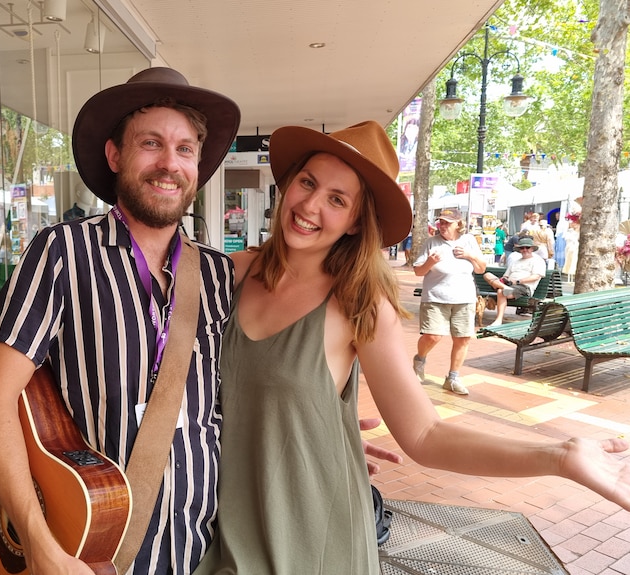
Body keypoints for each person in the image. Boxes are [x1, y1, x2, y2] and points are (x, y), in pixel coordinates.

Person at [194, 122, 630, 575]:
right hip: (217, 524)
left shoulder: (358, 302)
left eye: (337, 199)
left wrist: (558, 456)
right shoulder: (230, 274)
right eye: (308, 183)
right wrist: (309, 428)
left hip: (310, 535)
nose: (309, 204)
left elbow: (425, 436)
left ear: (357, 221)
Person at [0, 67, 241, 575]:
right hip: (92, 555)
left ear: (198, 166)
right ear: (115, 155)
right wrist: (40, 545)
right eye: (151, 143)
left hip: (204, 551)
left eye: (184, 149)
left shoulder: (218, 275)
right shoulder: (61, 253)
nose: (169, 163)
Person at [412, 207, 486, 395]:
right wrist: (430, 262)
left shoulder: (468, 240)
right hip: (436, 297)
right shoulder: (431, 243)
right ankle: (420, 360)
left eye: (447, 222)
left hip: (465, 298)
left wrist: (470, 255)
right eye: (441, 222)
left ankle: (453, 378)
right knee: (433, 336)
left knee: (462, 339)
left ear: (458, 224)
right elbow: (419, 271)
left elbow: (481, 269)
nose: (442, 225)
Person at [482, 236, 546, 326]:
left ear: (532, 249)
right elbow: (506, 275)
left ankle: (498, 320)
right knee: (487, 274)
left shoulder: (537, 261)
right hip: (508, 285)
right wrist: (505, 280)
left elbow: (536, 276)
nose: (524, 250)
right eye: (522, 248)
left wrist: (517, 281)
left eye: (527, 247)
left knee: (501, 291)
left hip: (523, 287)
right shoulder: (515, 261)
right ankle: (504, 287)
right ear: (519, 249)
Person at [562, 213, 580, 282]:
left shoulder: (578, 230)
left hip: (575, 246)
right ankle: (570, 278)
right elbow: (566, 238)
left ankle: (573, 277)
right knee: (569, 260)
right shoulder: (569, 231)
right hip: (569, 247)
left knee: (574, 261)